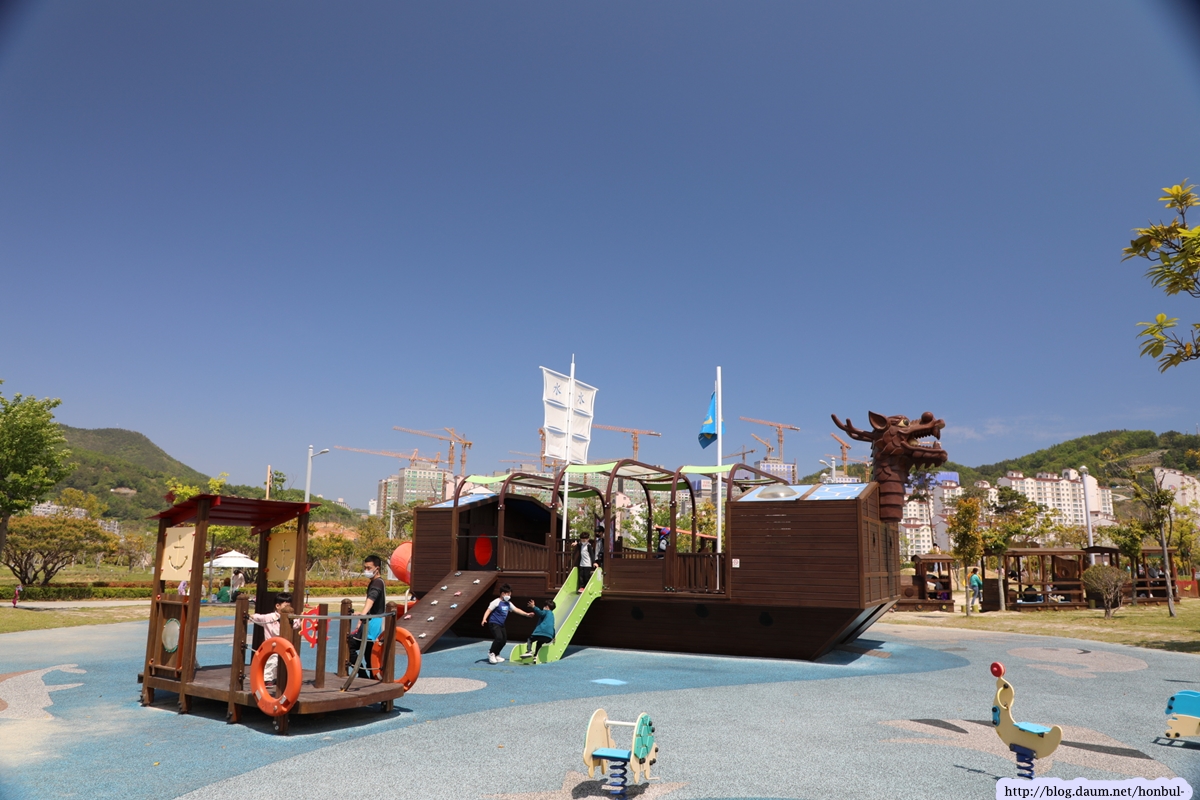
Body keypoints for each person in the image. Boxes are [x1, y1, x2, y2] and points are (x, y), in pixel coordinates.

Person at [248, 592, 301, 689]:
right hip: (272, 645)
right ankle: (267, 679)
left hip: (284, 645)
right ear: (277, 606)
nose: (288, 609)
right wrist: (250, 616)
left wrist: (298, 618)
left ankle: (282, 678)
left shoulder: (290, 617)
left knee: (285, 662)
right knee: (272, 661)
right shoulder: (270, 617)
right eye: (286, 606)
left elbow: (296, 625)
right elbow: (259, 617)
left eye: (289, 606)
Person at [347, 555, 387, 678]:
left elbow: (371, 600)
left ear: (377, 568)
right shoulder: (376, 582)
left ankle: (363, 674)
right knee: (369, 655)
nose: (366, 570)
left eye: (369, 568)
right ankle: (366, 676)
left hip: (373, 624)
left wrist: (362, 615)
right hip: (371, 622)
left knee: (350, 645)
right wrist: (361, 618)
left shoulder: (377, 583)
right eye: (365, 568)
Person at [481, 584, 532, 663]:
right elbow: (488, 610)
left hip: (501, 624)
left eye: (510, 594)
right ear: (502, 593)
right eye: (508, 594)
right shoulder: (496, 602)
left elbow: (516, 609)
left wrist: (526, 614)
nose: (509, 596)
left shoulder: (508, 603)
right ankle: (491, 653)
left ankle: (496, 654)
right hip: (494, 623)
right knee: (499, 637)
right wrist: (484, 619)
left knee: (504, 640)